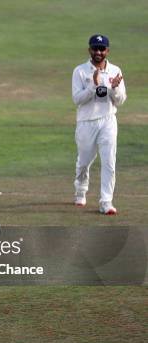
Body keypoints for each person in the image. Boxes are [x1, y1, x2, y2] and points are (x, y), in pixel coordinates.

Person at [72, 34, 126, 214]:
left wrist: (116, 89)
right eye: (95, 48)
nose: (98, 52)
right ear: (89, 50)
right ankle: (81, 189)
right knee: (84, 161)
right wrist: (93, 86)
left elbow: (120, 101)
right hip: (86, 122)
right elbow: (77, 99)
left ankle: (106, 202)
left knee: (109, 162)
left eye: (102, 49)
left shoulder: (115, 71)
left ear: (107, 51)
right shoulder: (80, 71)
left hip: (108, 120)